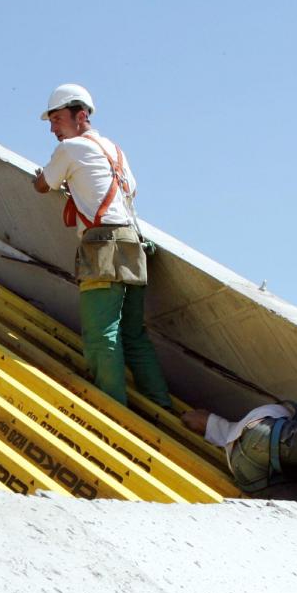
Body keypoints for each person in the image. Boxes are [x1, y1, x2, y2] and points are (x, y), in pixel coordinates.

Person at [32, 83, 172, 409]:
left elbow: (43, 184)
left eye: (57, 119)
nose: (53, 128)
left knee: (100, 335)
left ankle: (112, 411)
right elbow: (129, 191)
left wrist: (41, 176)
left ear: (81, 116)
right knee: (134, 335)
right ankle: (160, 406)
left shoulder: (70, 149)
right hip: (132, 244)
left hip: (102, 245)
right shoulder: (115, 151)